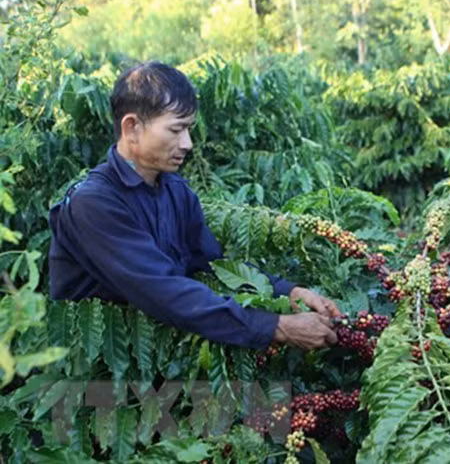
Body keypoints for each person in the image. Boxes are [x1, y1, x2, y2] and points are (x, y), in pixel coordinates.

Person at [49, 61, 340, 350]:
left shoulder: (177, 191)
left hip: (159, 356)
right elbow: (162, 292)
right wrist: (277, 327)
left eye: (188, 129)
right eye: (176, 130)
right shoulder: (94, 203)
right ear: (132, 127)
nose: (187, 143)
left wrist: (289, 292)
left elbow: (214, 265)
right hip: (95, 373)